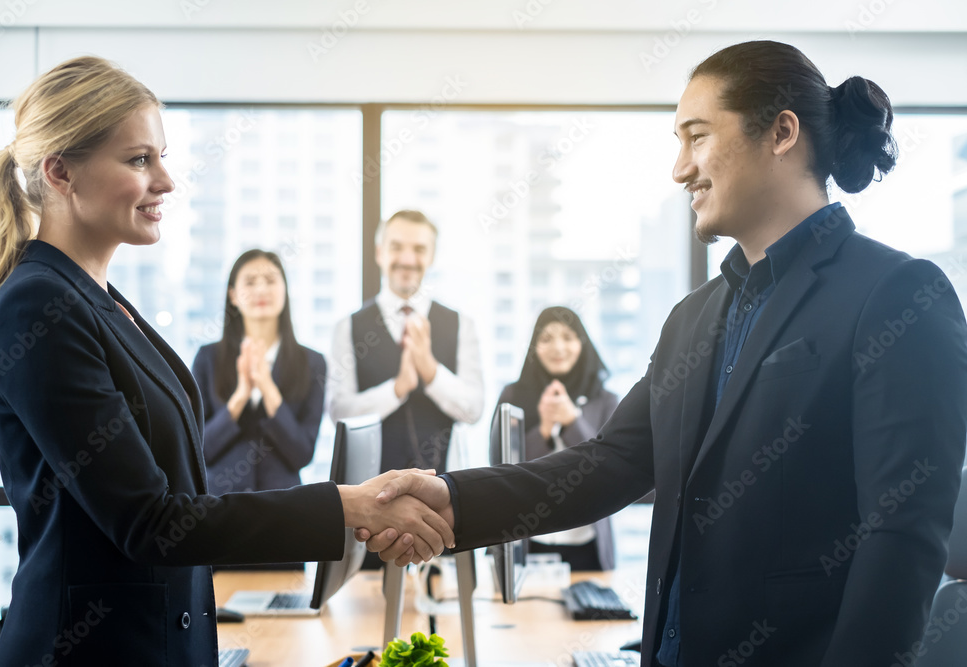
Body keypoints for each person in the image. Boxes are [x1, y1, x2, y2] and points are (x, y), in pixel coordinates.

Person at [364, 40, 967, 667]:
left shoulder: (898, 295)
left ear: (781, 133)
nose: (680, 169)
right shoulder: (694, 317)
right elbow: (609, 463)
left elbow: (901, 538)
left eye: (697, 137)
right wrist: (450, 498)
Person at [0, 56, 451, 666]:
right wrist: (342, 505)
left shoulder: (103, 302)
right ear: (61, 172)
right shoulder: (39, 305)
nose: (166, 181)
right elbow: (148, 520)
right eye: (140, 159)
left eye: (161, 156)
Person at [327, 210, 483, 474]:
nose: (408, 259)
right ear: (379, 253)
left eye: (419, 249)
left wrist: (430, 370)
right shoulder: (348, 327)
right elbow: (338, 412)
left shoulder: (461, 324)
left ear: (432, 256)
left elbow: (473, 409)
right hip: (370, 489)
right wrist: (397, 389)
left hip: (442, 486)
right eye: (396, 247)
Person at [493, 306, 618, 571]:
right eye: (546, 338)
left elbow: (609, 468)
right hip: (527, 541)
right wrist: (544, 429)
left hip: (587, 545)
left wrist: (573, 421)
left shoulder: (606, 400)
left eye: (567, 337)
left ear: (582, 343)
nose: (557, 347)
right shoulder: (512, 397)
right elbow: (501, 470)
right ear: (534, 347)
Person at [192, 249, 325, 494]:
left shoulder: (312, 362)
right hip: (220, 506)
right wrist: (240, 396)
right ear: (233, 295)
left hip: (285, 505)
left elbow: (302, 453)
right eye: (250, 282)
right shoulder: (207, 358)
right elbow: (198, 450)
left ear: (285, 290)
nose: (261, 290)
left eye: (271, 281)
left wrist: (267, 388)